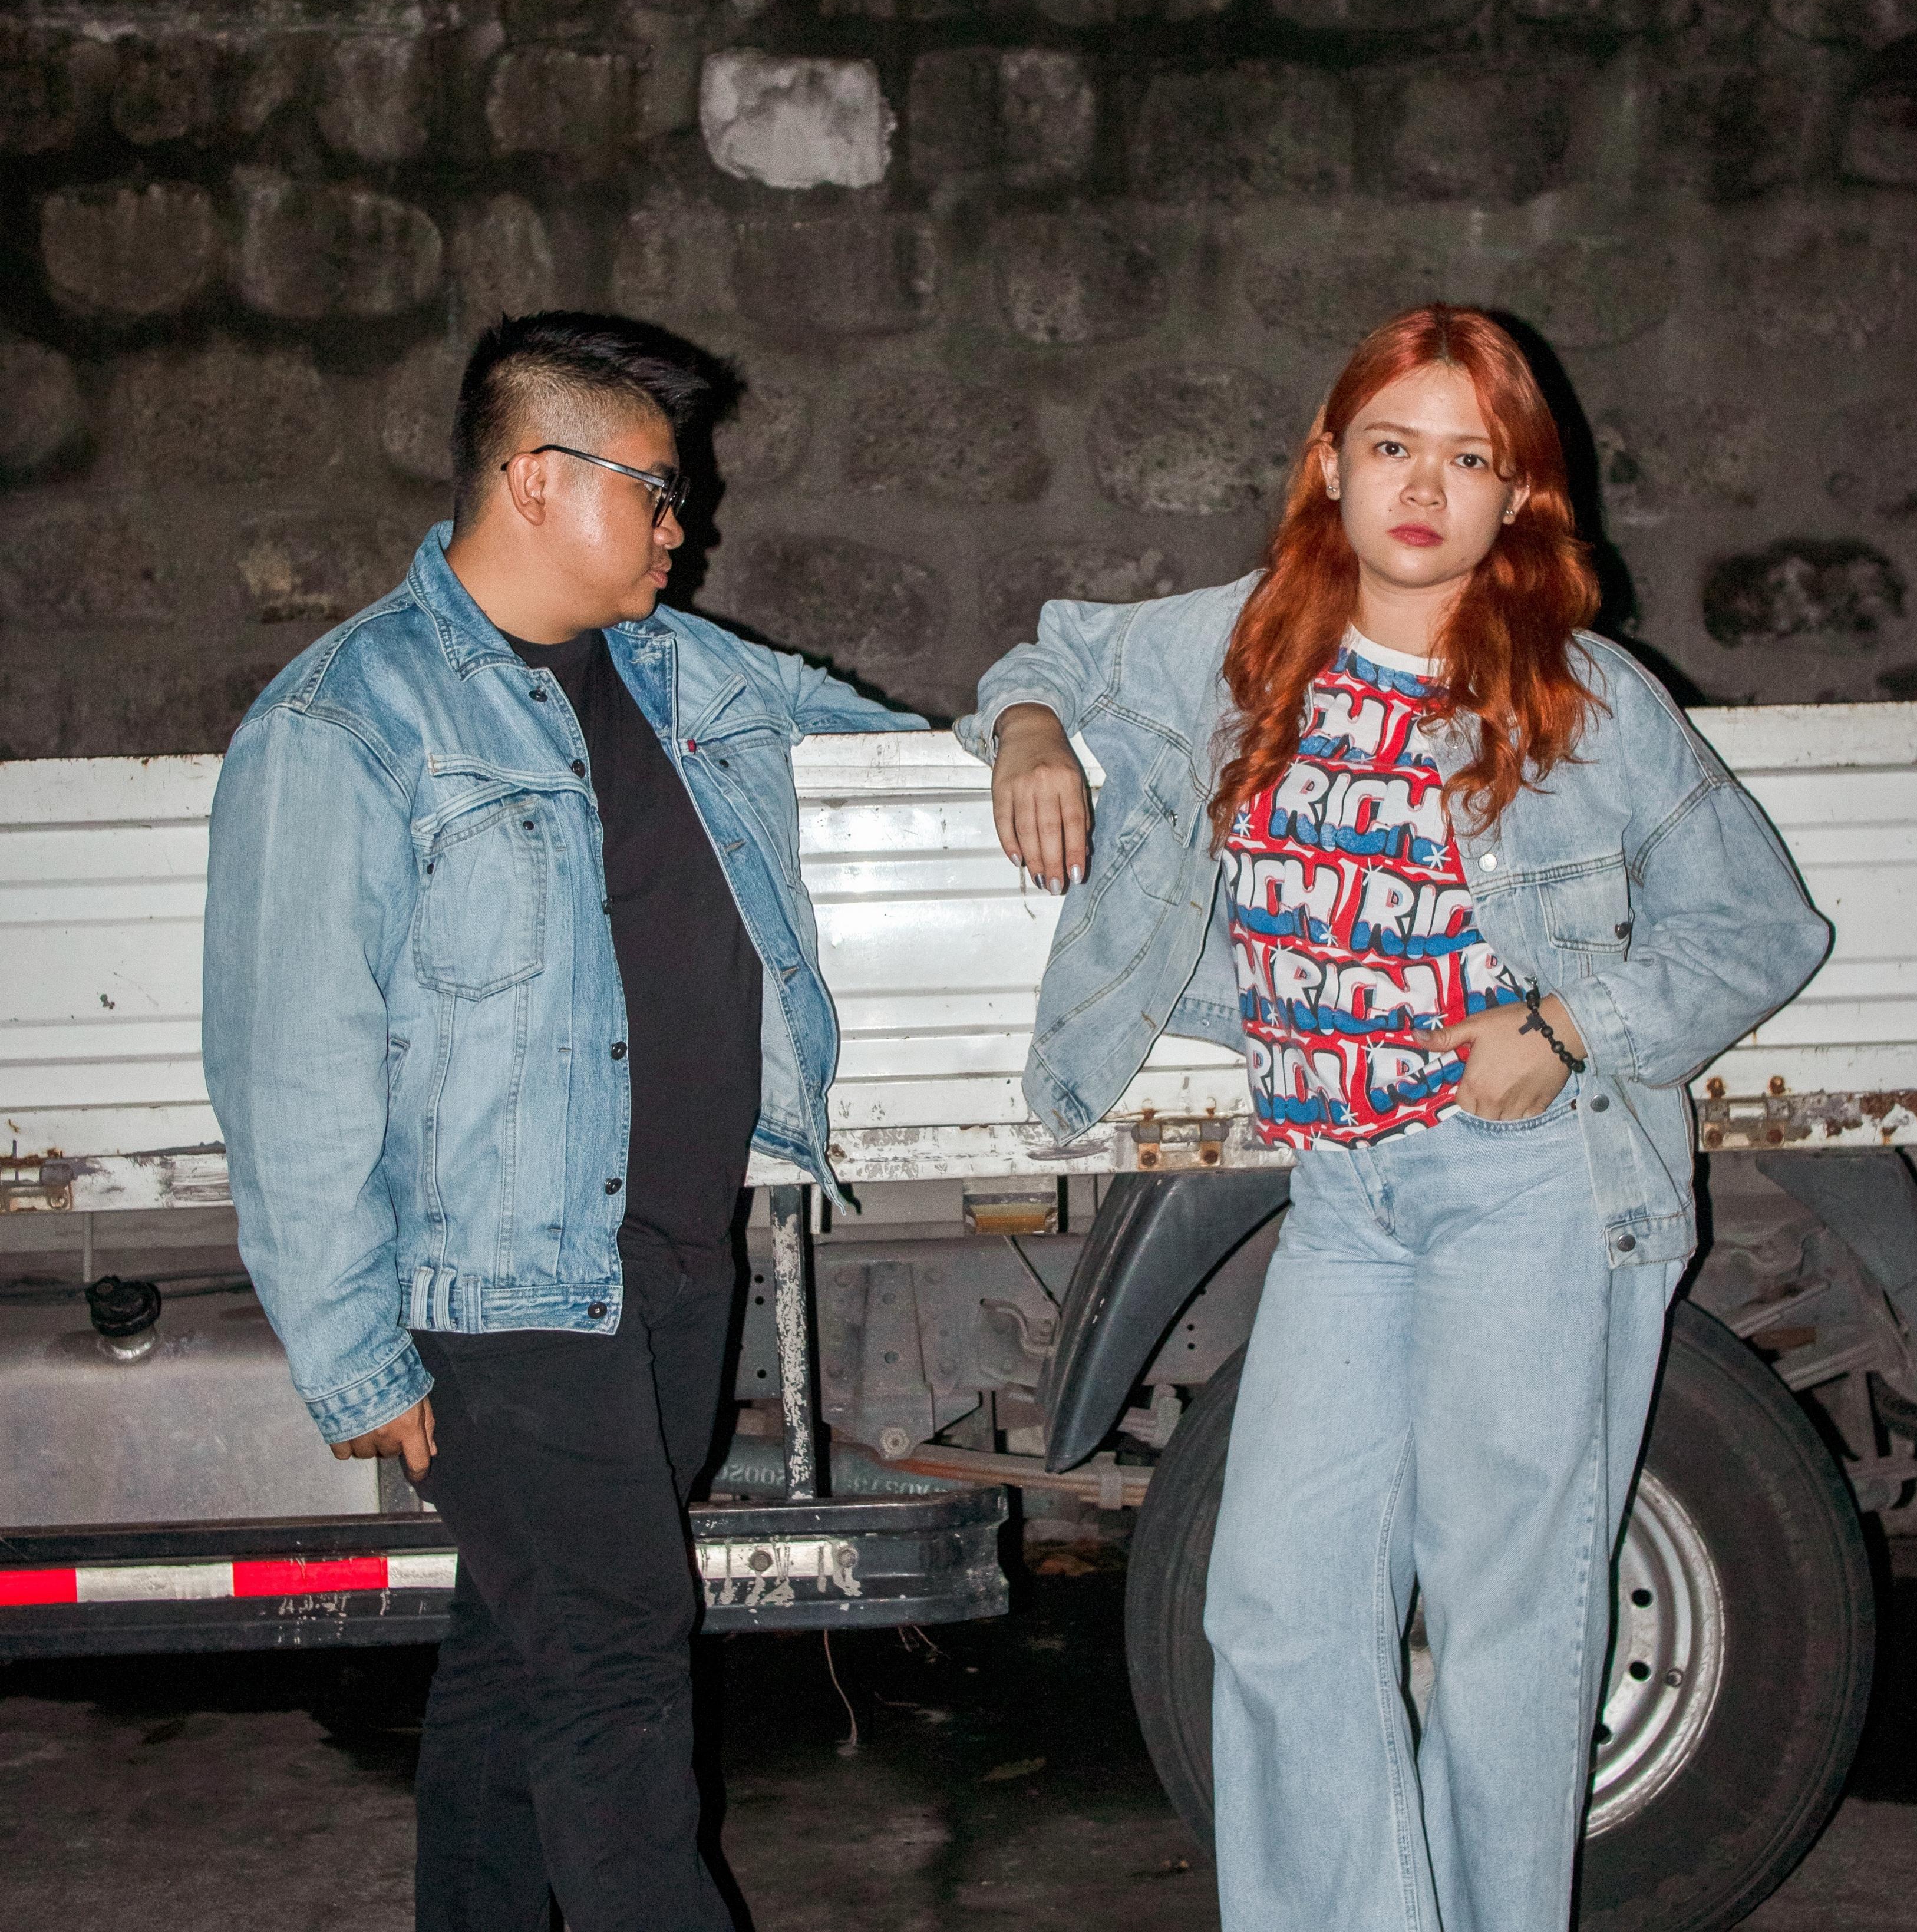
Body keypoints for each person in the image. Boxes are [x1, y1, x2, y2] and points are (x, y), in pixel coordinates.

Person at [959, 305, 1829, 1932]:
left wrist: (1570, 1027)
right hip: (1343, 1195)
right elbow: (1047, 652)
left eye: (1468, 457)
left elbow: (1759, 925)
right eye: (1390, 446)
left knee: (1507, 1623)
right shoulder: (1243, 645)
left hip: (1530, 1190)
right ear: (1328, 465)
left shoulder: (1586, 702)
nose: (1421, 487)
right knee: (1279, 1606)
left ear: (1518, 502)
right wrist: (1025, 734)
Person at [202, 311, 924, 1932]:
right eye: (658, 492)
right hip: (501, 1291)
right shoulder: (345, 725)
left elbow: (889, 746)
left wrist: (1021, 734)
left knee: (518, 1661)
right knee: (612, 1672)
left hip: (668, 1268)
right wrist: (354, 1354)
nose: (689, 526)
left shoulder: (679, 673)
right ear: (535, 478)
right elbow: (288, 1069)